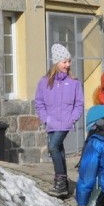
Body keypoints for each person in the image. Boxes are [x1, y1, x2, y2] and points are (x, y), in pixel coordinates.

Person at [34, 43, 83, 197]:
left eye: (69, 61)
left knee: (53, 147)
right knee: (59, 150)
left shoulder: (74, 82)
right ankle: (64, 186)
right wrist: (45, 119)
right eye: (64, 62)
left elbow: (79, 104)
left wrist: (72, 119)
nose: (68, 65)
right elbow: (39, 102)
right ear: (56, 62)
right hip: (51, 123)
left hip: (65, 122)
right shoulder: (44, 81)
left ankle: (60, 181)